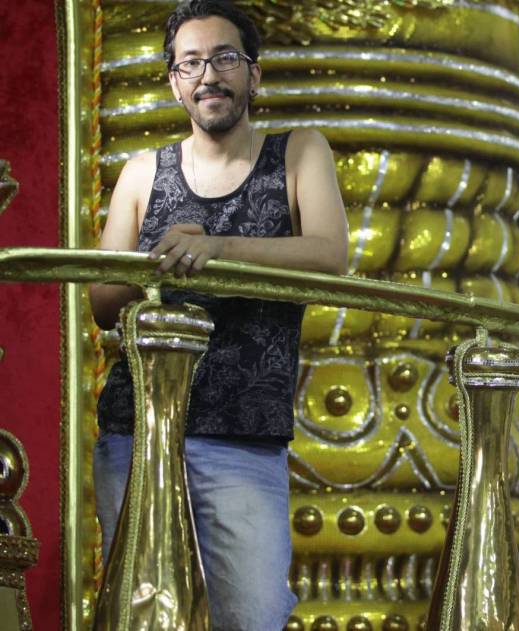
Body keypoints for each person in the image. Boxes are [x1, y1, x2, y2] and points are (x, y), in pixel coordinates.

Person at [88, 1, 348, 628]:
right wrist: (156, 260)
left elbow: (331, 255)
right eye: (191, 63)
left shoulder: (296, 153)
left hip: (243, 437)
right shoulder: (143, 171)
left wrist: (216, 247)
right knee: (139, 616)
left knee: (252, 615)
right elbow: (99, 303)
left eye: (225, 58)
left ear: (253, 75)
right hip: (139, 430)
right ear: (175, 81)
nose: (209, 75)